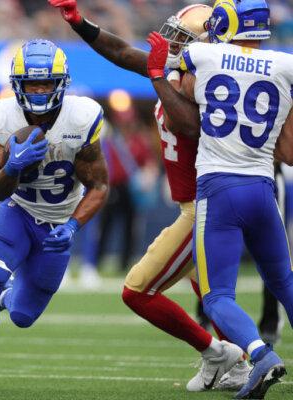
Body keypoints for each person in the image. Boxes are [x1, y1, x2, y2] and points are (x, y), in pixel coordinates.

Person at [49, 0, 247, 391]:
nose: (172, 42)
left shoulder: (207, 83)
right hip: (195, 205)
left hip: (204, 208)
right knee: (207, 293)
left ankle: (224, 355)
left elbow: (188, 126)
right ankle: (233, 359)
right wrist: (79, 23)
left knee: (137, 291)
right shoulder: (179, 72)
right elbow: (123, 53)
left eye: (183, 38)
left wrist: (158, 74)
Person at [147, 0, 293, 397]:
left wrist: (160, 72)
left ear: (227, 24)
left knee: (216, 297)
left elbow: (184, 113)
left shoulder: (202, 54)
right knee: (284, 281)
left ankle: (261, 355)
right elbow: (291, 152)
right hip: (264, 188)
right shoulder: (285, 64)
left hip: (219, 189)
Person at [0, 39, 109, 399]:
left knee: (23, 317)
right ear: (18, 85)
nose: (40, 91)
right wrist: (12, 166)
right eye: (32, 84)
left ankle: (10, 297)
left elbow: (100, 186)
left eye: (46, 83)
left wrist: (73, 225)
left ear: (62, 83)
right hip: (18, 211)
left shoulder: (83, 117)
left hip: (58, 221)